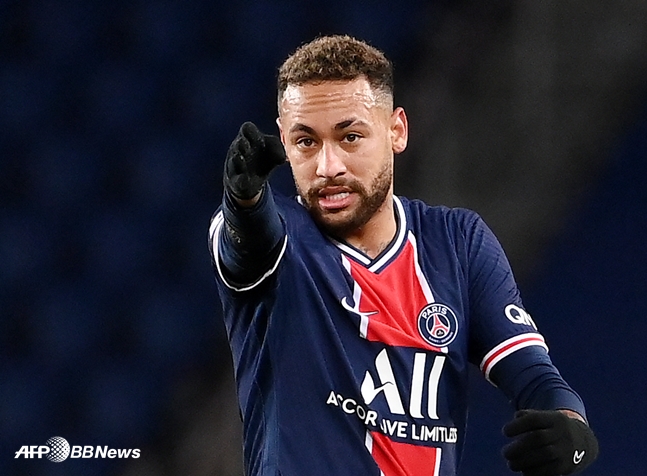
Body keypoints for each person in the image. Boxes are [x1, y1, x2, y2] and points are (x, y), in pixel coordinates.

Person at [208, 35, 598, 476]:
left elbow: (533, 375)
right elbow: (249, 242)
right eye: (306, 142)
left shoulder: (457, 242)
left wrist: (571, 428)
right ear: (282, 140)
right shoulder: (281, 240)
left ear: (397, 131)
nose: (328, 166)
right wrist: (243, 201)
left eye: (350, 137)